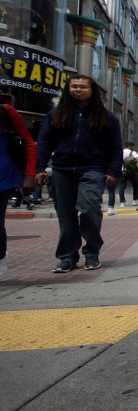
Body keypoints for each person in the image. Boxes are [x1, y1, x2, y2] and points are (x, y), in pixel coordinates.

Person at [36, 75, 123, 273]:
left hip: (93, 168)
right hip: (62, 169)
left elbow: (115, 148)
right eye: (74, 86)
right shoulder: (56, 115)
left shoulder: (107, 117)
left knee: (89, 208)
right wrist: (40, 168)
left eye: (83, 87)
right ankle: (67, 257)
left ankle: (92, 253)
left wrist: (113, 171)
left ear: (92, 91)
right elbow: (44, 142)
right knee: (65, 215)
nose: (78, 89)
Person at [0, 95, 37, 276]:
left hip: (2, 177)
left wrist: (29, 174)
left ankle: (0, 258)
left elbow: (29, 142)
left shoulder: (6, 110)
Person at [119, 141, 138, 208]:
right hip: (131, 171)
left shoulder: (120, 152)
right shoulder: (133, 152)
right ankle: (135, 200)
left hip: (122, 171)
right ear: (130, 146)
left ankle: (122, 202)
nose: (133, 147)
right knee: (136, 185)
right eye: (133, 146)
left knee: (121, 186)